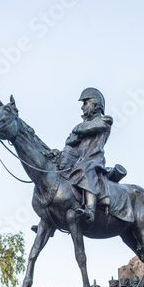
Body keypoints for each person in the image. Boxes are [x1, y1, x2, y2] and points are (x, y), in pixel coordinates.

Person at [59, 88, 113, 222]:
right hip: (77, 158)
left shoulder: (106, 120)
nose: (82, 107)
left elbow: (89, 127)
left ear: (95, 104)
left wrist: (77, 129)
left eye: (85, 103)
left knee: (85, 168)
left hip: (93, 158)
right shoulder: (84, 124)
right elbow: (69, 141)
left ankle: (90, 209)